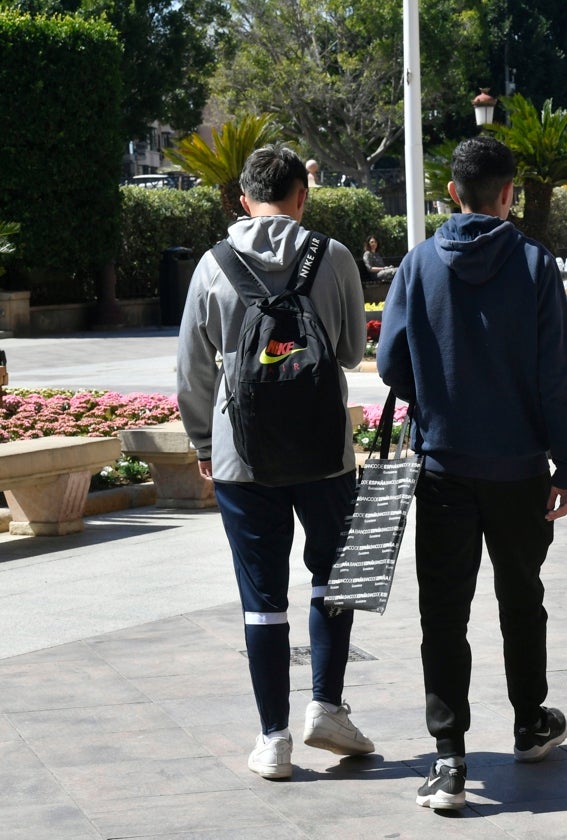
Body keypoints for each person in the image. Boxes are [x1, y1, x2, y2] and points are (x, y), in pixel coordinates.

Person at [376, 136, 567, 811]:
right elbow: (558, 376)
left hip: (443, 463)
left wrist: (436, 402)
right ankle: (530, 721)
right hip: (520, 465)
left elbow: (389, 364)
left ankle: (449, 757)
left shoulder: (417, 265)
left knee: (443, 611)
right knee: (521, 596)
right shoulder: (533, 265)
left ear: (452, 194)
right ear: (507, 195)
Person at [176, 143, 372, 780]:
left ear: (241, 198)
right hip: (325, 452)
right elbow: (345, 353)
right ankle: (327, 705)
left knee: (262, 597)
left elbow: (193, 370)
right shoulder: (333, 256)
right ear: (302, 195)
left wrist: (205, 445)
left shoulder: (212, 266)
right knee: (330, 578)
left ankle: (273, 740)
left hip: (243, 457)